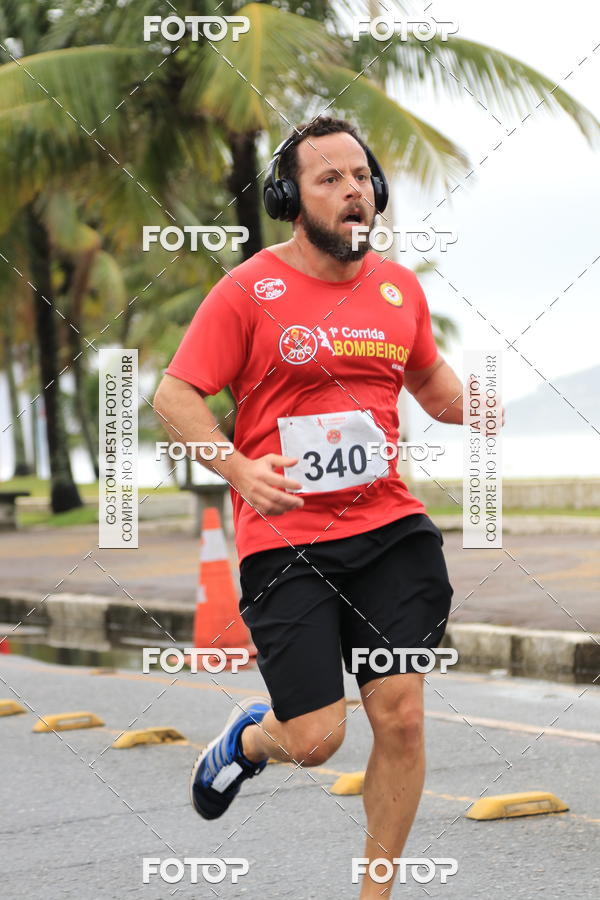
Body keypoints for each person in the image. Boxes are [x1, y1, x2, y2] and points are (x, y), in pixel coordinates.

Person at [154, 115, 464, 898]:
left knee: (401, 717)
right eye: (330, 180)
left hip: (389, 526)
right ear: (292, 198)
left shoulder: (400, 289)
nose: (353, 192)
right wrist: (237, 468)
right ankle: (250, 743)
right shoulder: (249, 290)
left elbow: (433, 386)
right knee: (319, 738)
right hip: (284, 535)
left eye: (361, 177)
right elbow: (174, 394)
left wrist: (483, 405)